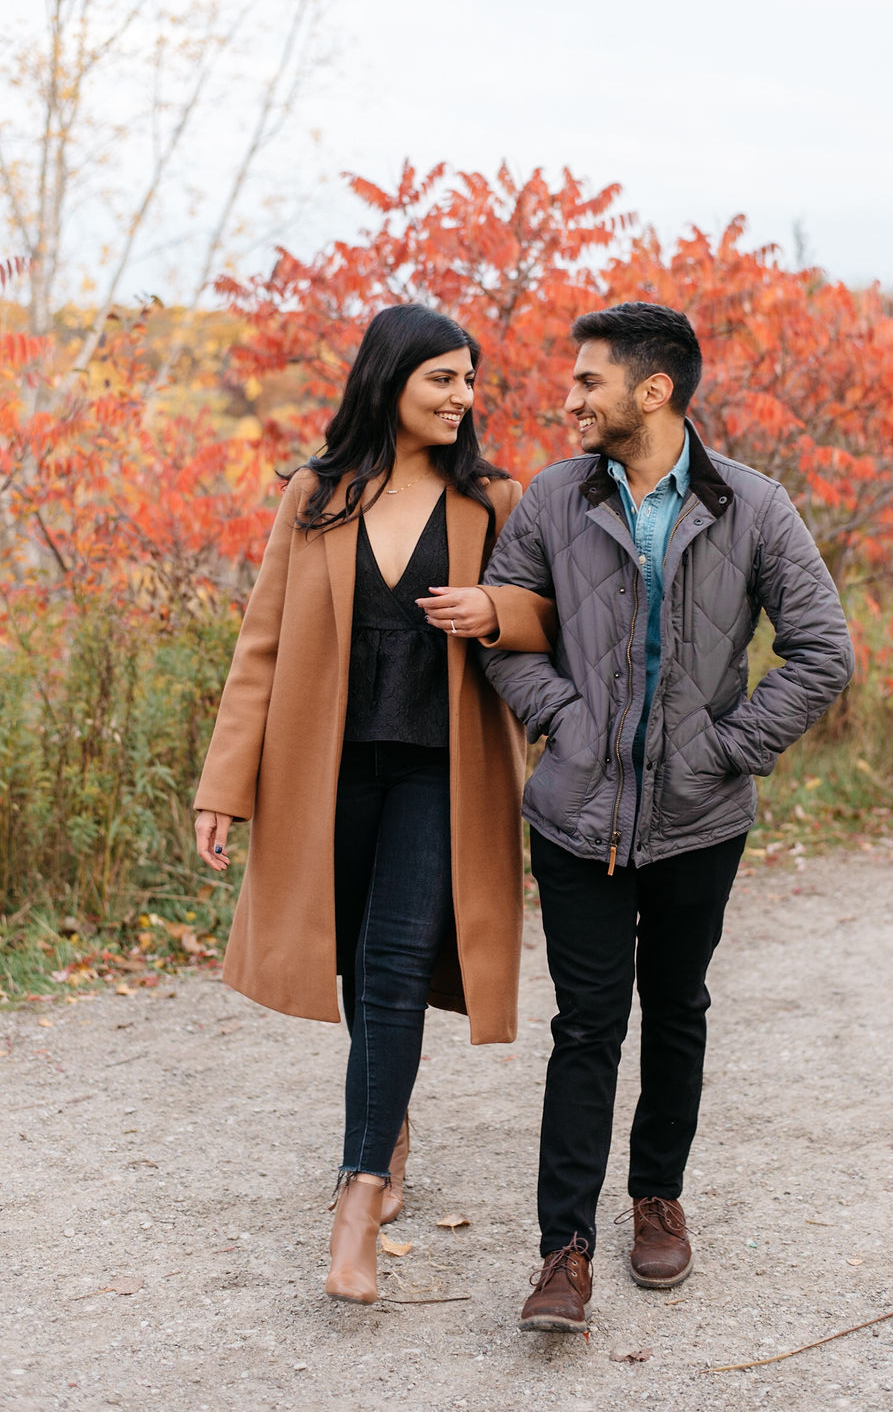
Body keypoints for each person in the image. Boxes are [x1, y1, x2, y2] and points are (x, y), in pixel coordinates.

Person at [480, 301, 855, 1331]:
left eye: (587, 381)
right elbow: (503, 629)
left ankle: (656, 1196)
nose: (569, 399)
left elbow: (823, 649)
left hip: (700, 820)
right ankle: (563, 1251)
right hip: (575, 817)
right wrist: (566, 722)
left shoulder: (754, 505)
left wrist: (726, 748)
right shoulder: (553, 499)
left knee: (677, 1008)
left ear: (653, 390)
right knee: (585, 1026)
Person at [193, 303, 553, 1306]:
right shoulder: (315, 495)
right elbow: (260, 643)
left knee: (394, 968)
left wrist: (496, 609)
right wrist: (225, 784)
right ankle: (386, 1125)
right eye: (442, 377)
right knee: (356, 958)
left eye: (469, 381)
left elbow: (553, 616)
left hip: (442, 773)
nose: (461, 397)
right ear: (388, 379)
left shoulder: (492, 500)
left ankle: (357, 1199)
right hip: (328, 770)